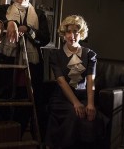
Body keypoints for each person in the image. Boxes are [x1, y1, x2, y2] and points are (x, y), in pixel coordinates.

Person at [0, 0, 50, 138]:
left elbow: (44, 39)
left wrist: (28, 30)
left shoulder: (39, 14)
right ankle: (4, 132)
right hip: (6, 61)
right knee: (1, 94)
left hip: (31, 64)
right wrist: (9, 22)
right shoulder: (3, 9)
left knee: (26, 98)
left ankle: (18, 133)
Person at [45, 15, 107, 149]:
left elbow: (91, 81)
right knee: (73, 115)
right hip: (61, 98)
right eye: (68, 31)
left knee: (94, 117)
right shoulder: (55, 55)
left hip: (84, 97)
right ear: (63, 33)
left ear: (81, 33)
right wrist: (76, 103)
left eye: (75, 32)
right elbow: (61, 82)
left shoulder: (90, 54)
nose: (71, 35)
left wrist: (90, 104)